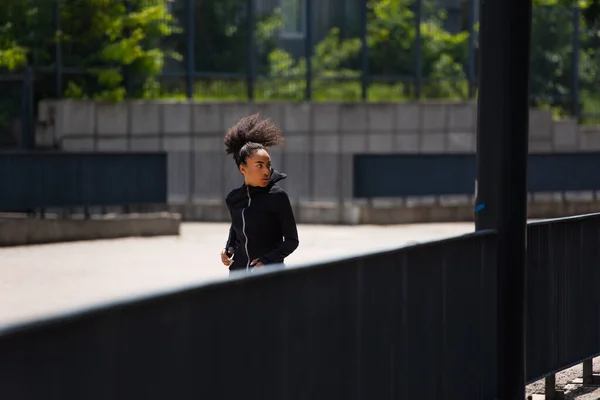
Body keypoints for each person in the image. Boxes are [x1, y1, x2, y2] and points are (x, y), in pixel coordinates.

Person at [220, 113, 299, 273]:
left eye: (268, 165)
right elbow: (236, 228)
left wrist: (266, 260)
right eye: (259, 165)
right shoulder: (234, 198)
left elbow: (291, 241)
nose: (266, 171)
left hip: (269, 275)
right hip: (238, 274)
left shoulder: (277, 197)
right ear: (243, 168)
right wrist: (228, 249)